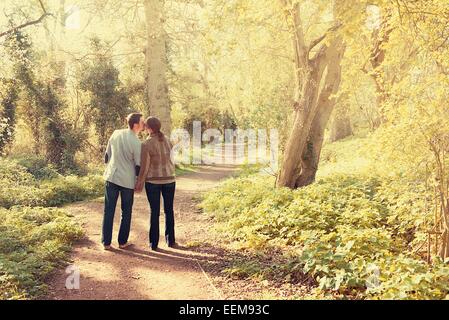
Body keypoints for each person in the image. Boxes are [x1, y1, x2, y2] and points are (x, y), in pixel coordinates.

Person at [102, 113, 144, 250]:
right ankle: (122, 242)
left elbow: (106, 156)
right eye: (142, 122)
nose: (144, 124)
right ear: (136, 125)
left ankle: (106, 243)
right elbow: (138, 165)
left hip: (112, 176)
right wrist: (138, 181)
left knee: (108, 210)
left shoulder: (115, 133)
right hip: (127, 181)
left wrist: (111, 166)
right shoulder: (137, 142)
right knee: (126, 211)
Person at [135, 116, 176, 251]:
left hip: (153, 181)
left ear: (150, 128)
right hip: (170, 179)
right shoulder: (169, 141)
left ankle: (154, 243)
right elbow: (173, 161)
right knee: (169, 210)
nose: (145, 129)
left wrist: (139, 182)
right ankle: (171, 241)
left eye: (146, 126)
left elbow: (145, 167)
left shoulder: (146, 144)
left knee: (155, 212)